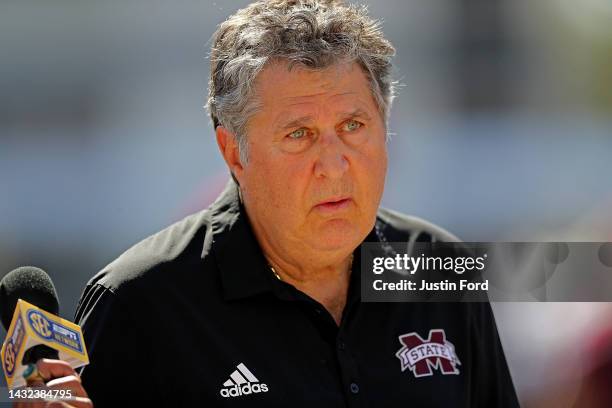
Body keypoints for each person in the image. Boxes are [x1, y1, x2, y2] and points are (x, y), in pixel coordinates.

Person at [31, 0, 519, 406]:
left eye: (353, 127)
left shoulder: (439, 266)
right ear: (233, 152)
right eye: (300, 134)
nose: (335, 164)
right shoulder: (140, 302)